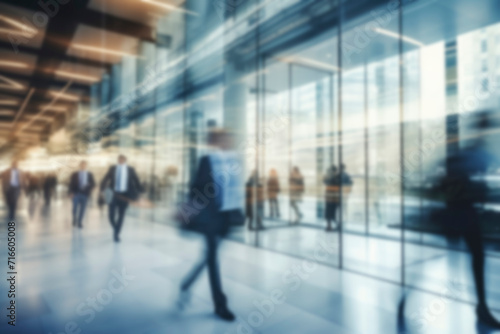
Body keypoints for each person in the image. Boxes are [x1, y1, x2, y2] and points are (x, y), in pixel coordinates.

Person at [178, 129, 243, 321]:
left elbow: (235, 188)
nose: (227, 141)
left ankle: (187, 284)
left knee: (209, 257)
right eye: (222, 139)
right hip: (210, 218)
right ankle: (220, 305)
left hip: (227, 217)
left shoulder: (233, 160)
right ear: (214, 142)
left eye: (229, 138)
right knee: (213, 259)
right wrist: (187, 211)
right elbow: (196, 188)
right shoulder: (207, 160)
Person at [100, 155, 142, 242]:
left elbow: (136, 180)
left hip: (125, 195)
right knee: (111, 215)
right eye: (119, 159)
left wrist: (139, 191)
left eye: (122, 159)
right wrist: (102, 188)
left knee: (121, 215)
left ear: (125, 160)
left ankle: (116, 234)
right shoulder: (113, 168)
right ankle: (116, 228)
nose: (120, 160)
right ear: (117, 160)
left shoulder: (130, 169)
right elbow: (106, 178)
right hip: (114, 194)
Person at [68, 161, 95, 228]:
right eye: (82, 165)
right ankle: (74, 218)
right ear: (80, 166)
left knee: (82, 209)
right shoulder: (75, 174)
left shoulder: (89, 174)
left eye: (84, 165)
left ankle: (80, 222)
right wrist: (70, 192)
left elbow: (93, 183)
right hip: (76, 193)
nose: (83, 166)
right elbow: (70, 184)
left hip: (85, 194)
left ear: (86, 166)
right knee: (74, 208)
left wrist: (89, 187)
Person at [324, 165, 340, 231]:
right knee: (331, 212)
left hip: (331, 197)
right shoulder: (334, 177)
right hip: (332, 197)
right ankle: (330, 226)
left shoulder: (333, 177)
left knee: (330, 212)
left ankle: (330, 226)